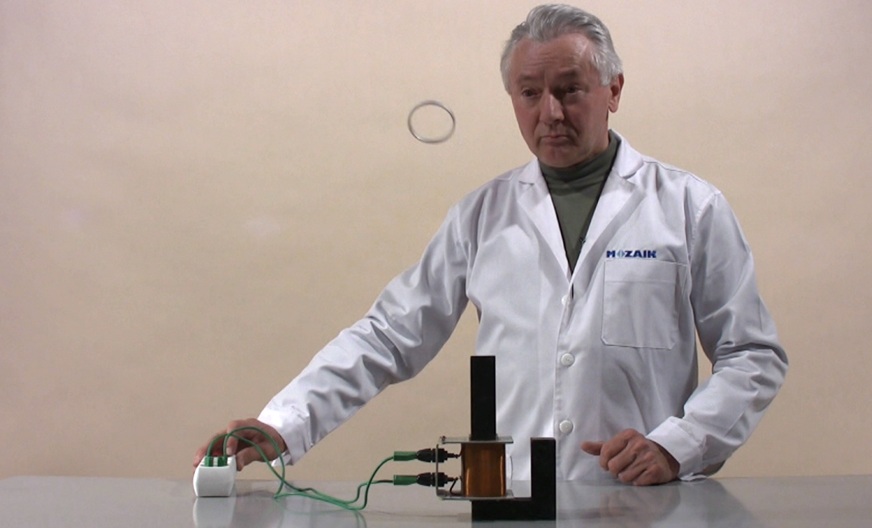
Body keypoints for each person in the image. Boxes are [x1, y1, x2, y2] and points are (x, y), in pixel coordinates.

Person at [194, 4, 788, 486]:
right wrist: (284, 423)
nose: (550, 112)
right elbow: (388, 335)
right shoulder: (481, 217)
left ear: (614, 90)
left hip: (643, 500)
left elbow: (752, 354)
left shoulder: (689, 208)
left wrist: (677, 445)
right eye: (529, 93)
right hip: (514, 497)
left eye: (570, 89)